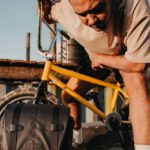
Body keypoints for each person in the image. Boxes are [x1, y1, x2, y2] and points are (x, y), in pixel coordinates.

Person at [40, 0, 150, 149]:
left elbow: (138, 63)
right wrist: (43, 8)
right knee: (69, 95)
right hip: (96, 58)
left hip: (126, 54)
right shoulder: (62, 11)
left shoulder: (134, 5)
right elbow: (46, 14)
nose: (91, 20)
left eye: (98, 9)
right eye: (82, 14)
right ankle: (77, 141)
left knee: (137, 83)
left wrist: (103, 59)